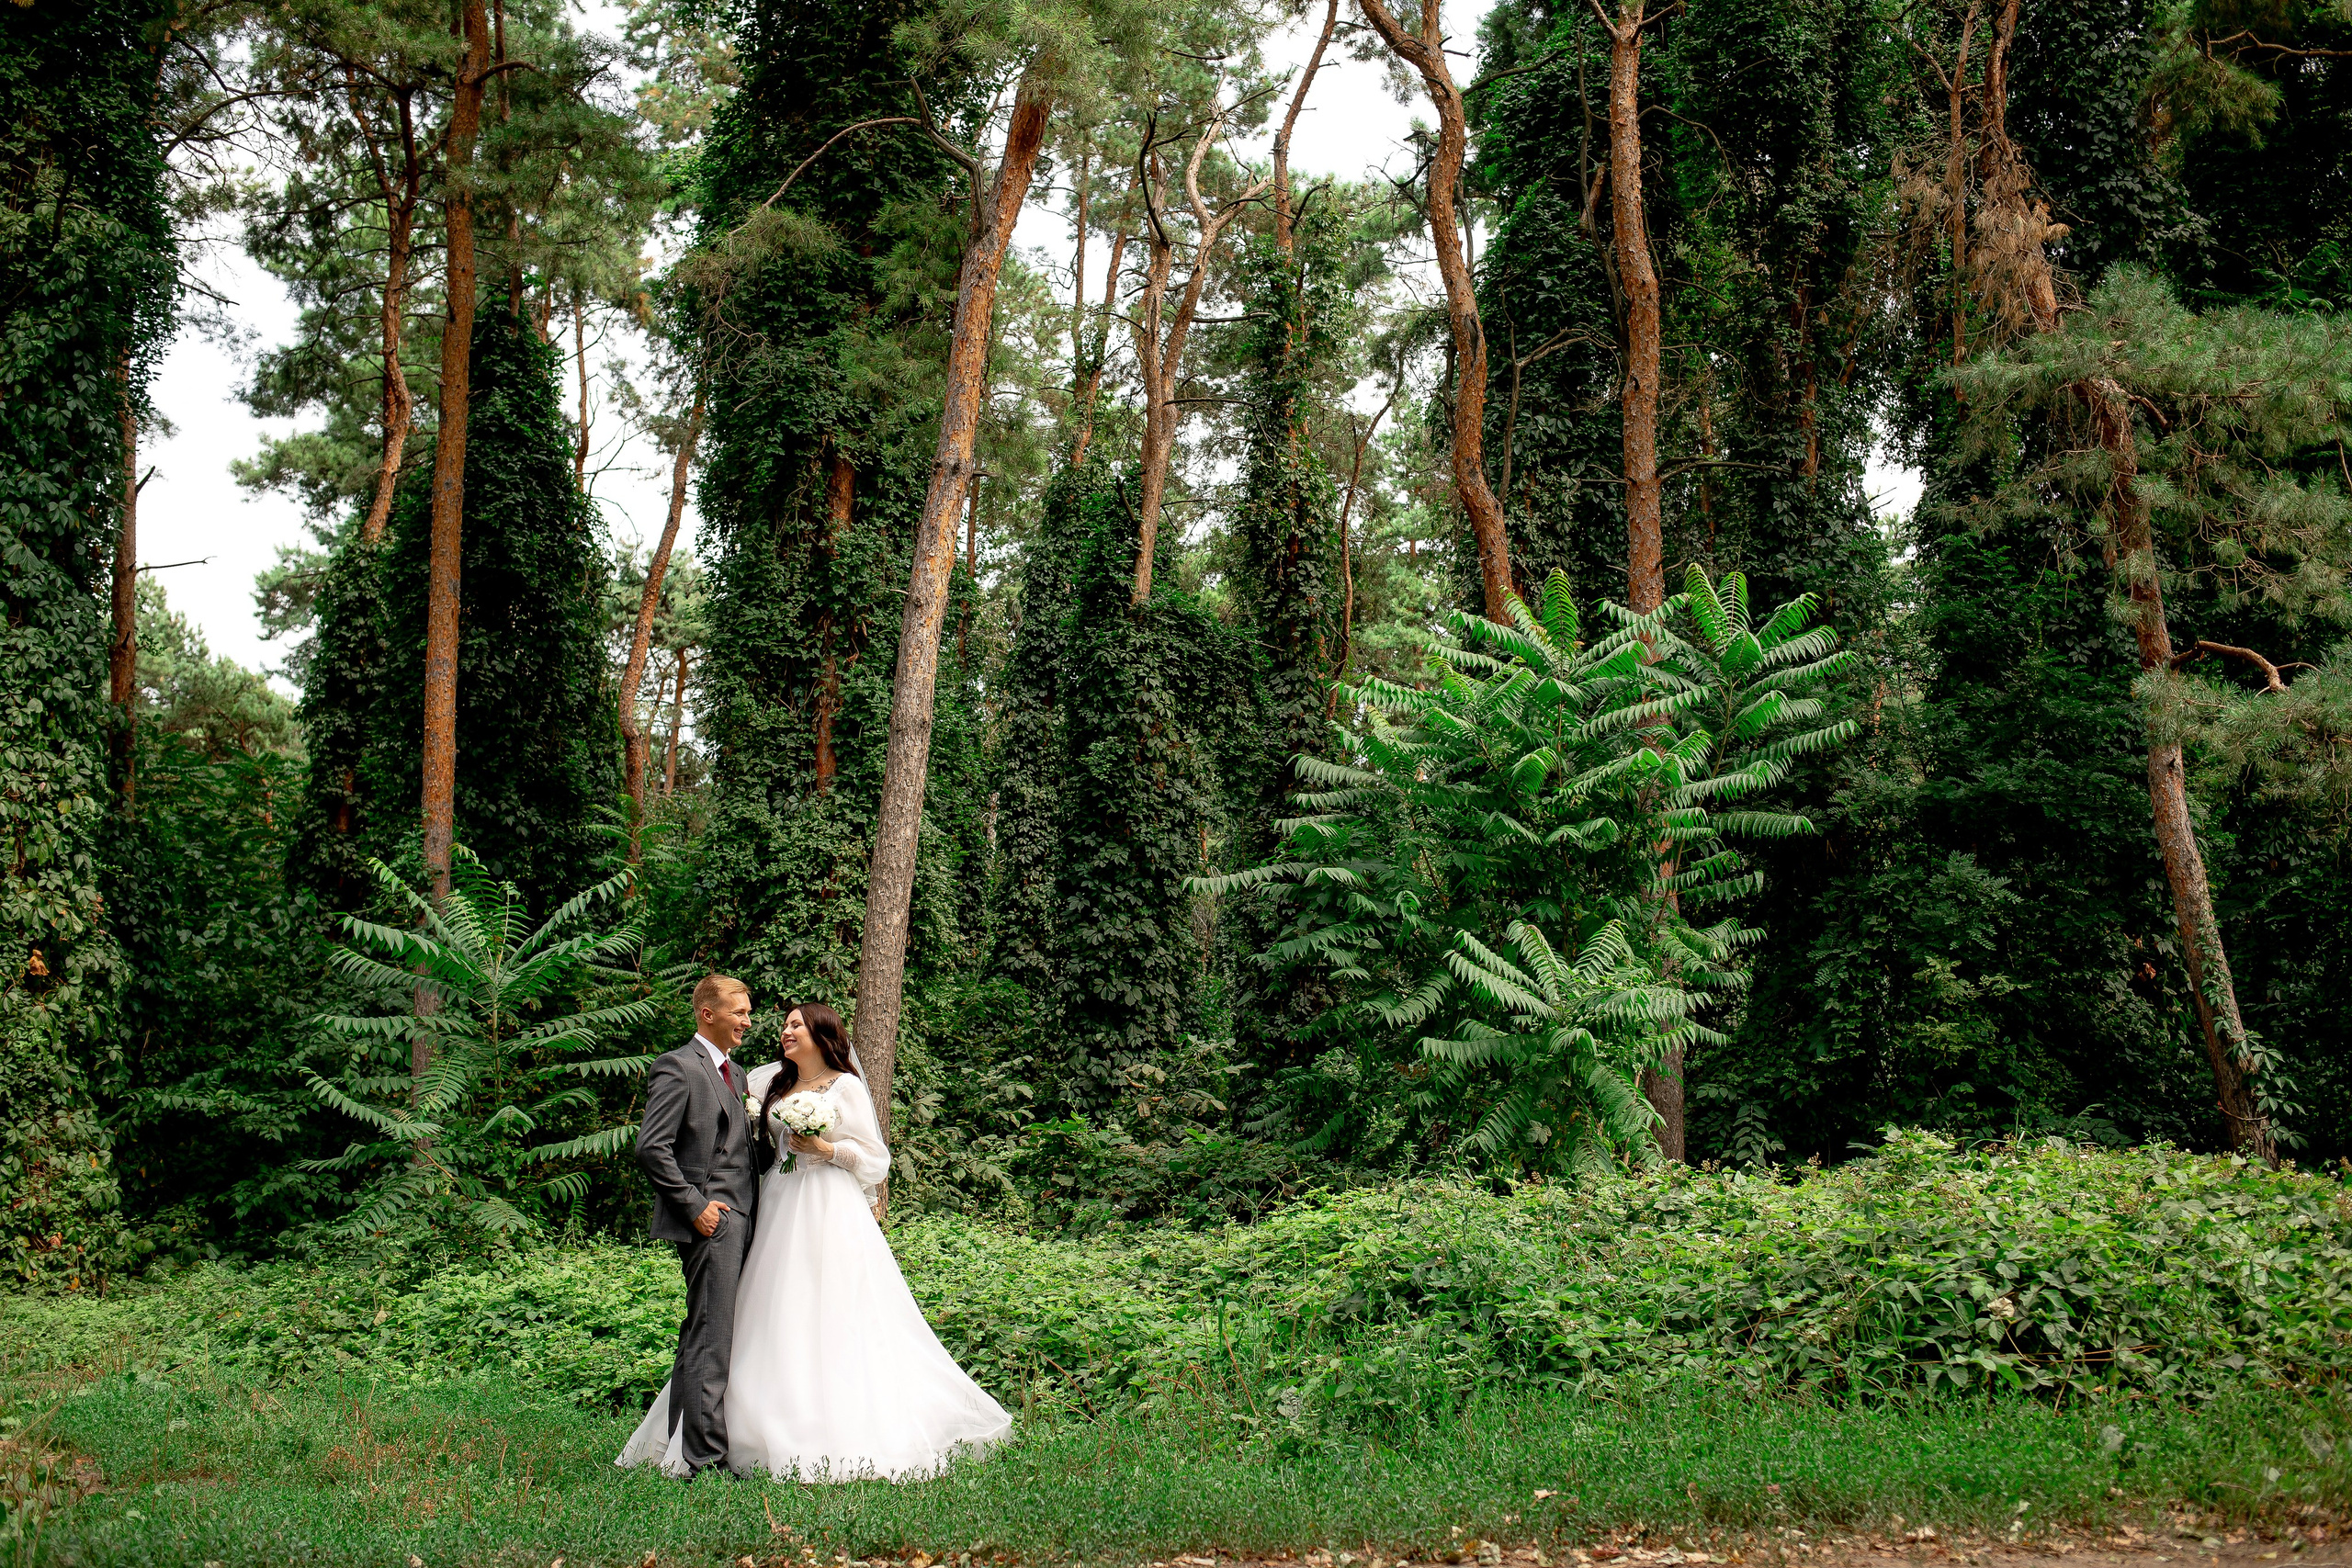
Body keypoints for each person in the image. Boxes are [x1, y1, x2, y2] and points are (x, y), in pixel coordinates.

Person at [619, 1000, 1010, 1482]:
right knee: (767, 1307)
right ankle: (732, 1428)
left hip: (827, 1205)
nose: (785, 1032)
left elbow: (875, 1159)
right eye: (785, 1025)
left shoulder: (845, 1087)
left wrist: (826, 1149)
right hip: (777, 1203)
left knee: (829, 1308)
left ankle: (828, 1425)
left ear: (821, 1034)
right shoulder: (768, 1084)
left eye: (796, 1025)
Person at [631, 973, 763, 1480]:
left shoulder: (738, 1074)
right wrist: (694, 1205)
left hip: (743, 1218)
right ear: (708, 1013)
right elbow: (651, 1147)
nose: (748, 1021)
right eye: (740, 1012)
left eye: (749, 1012)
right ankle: (705, 1460)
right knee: (712, 1336)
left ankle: (677, 1449)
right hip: (712, 1221)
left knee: (700, 1333)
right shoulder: (679, 1067)